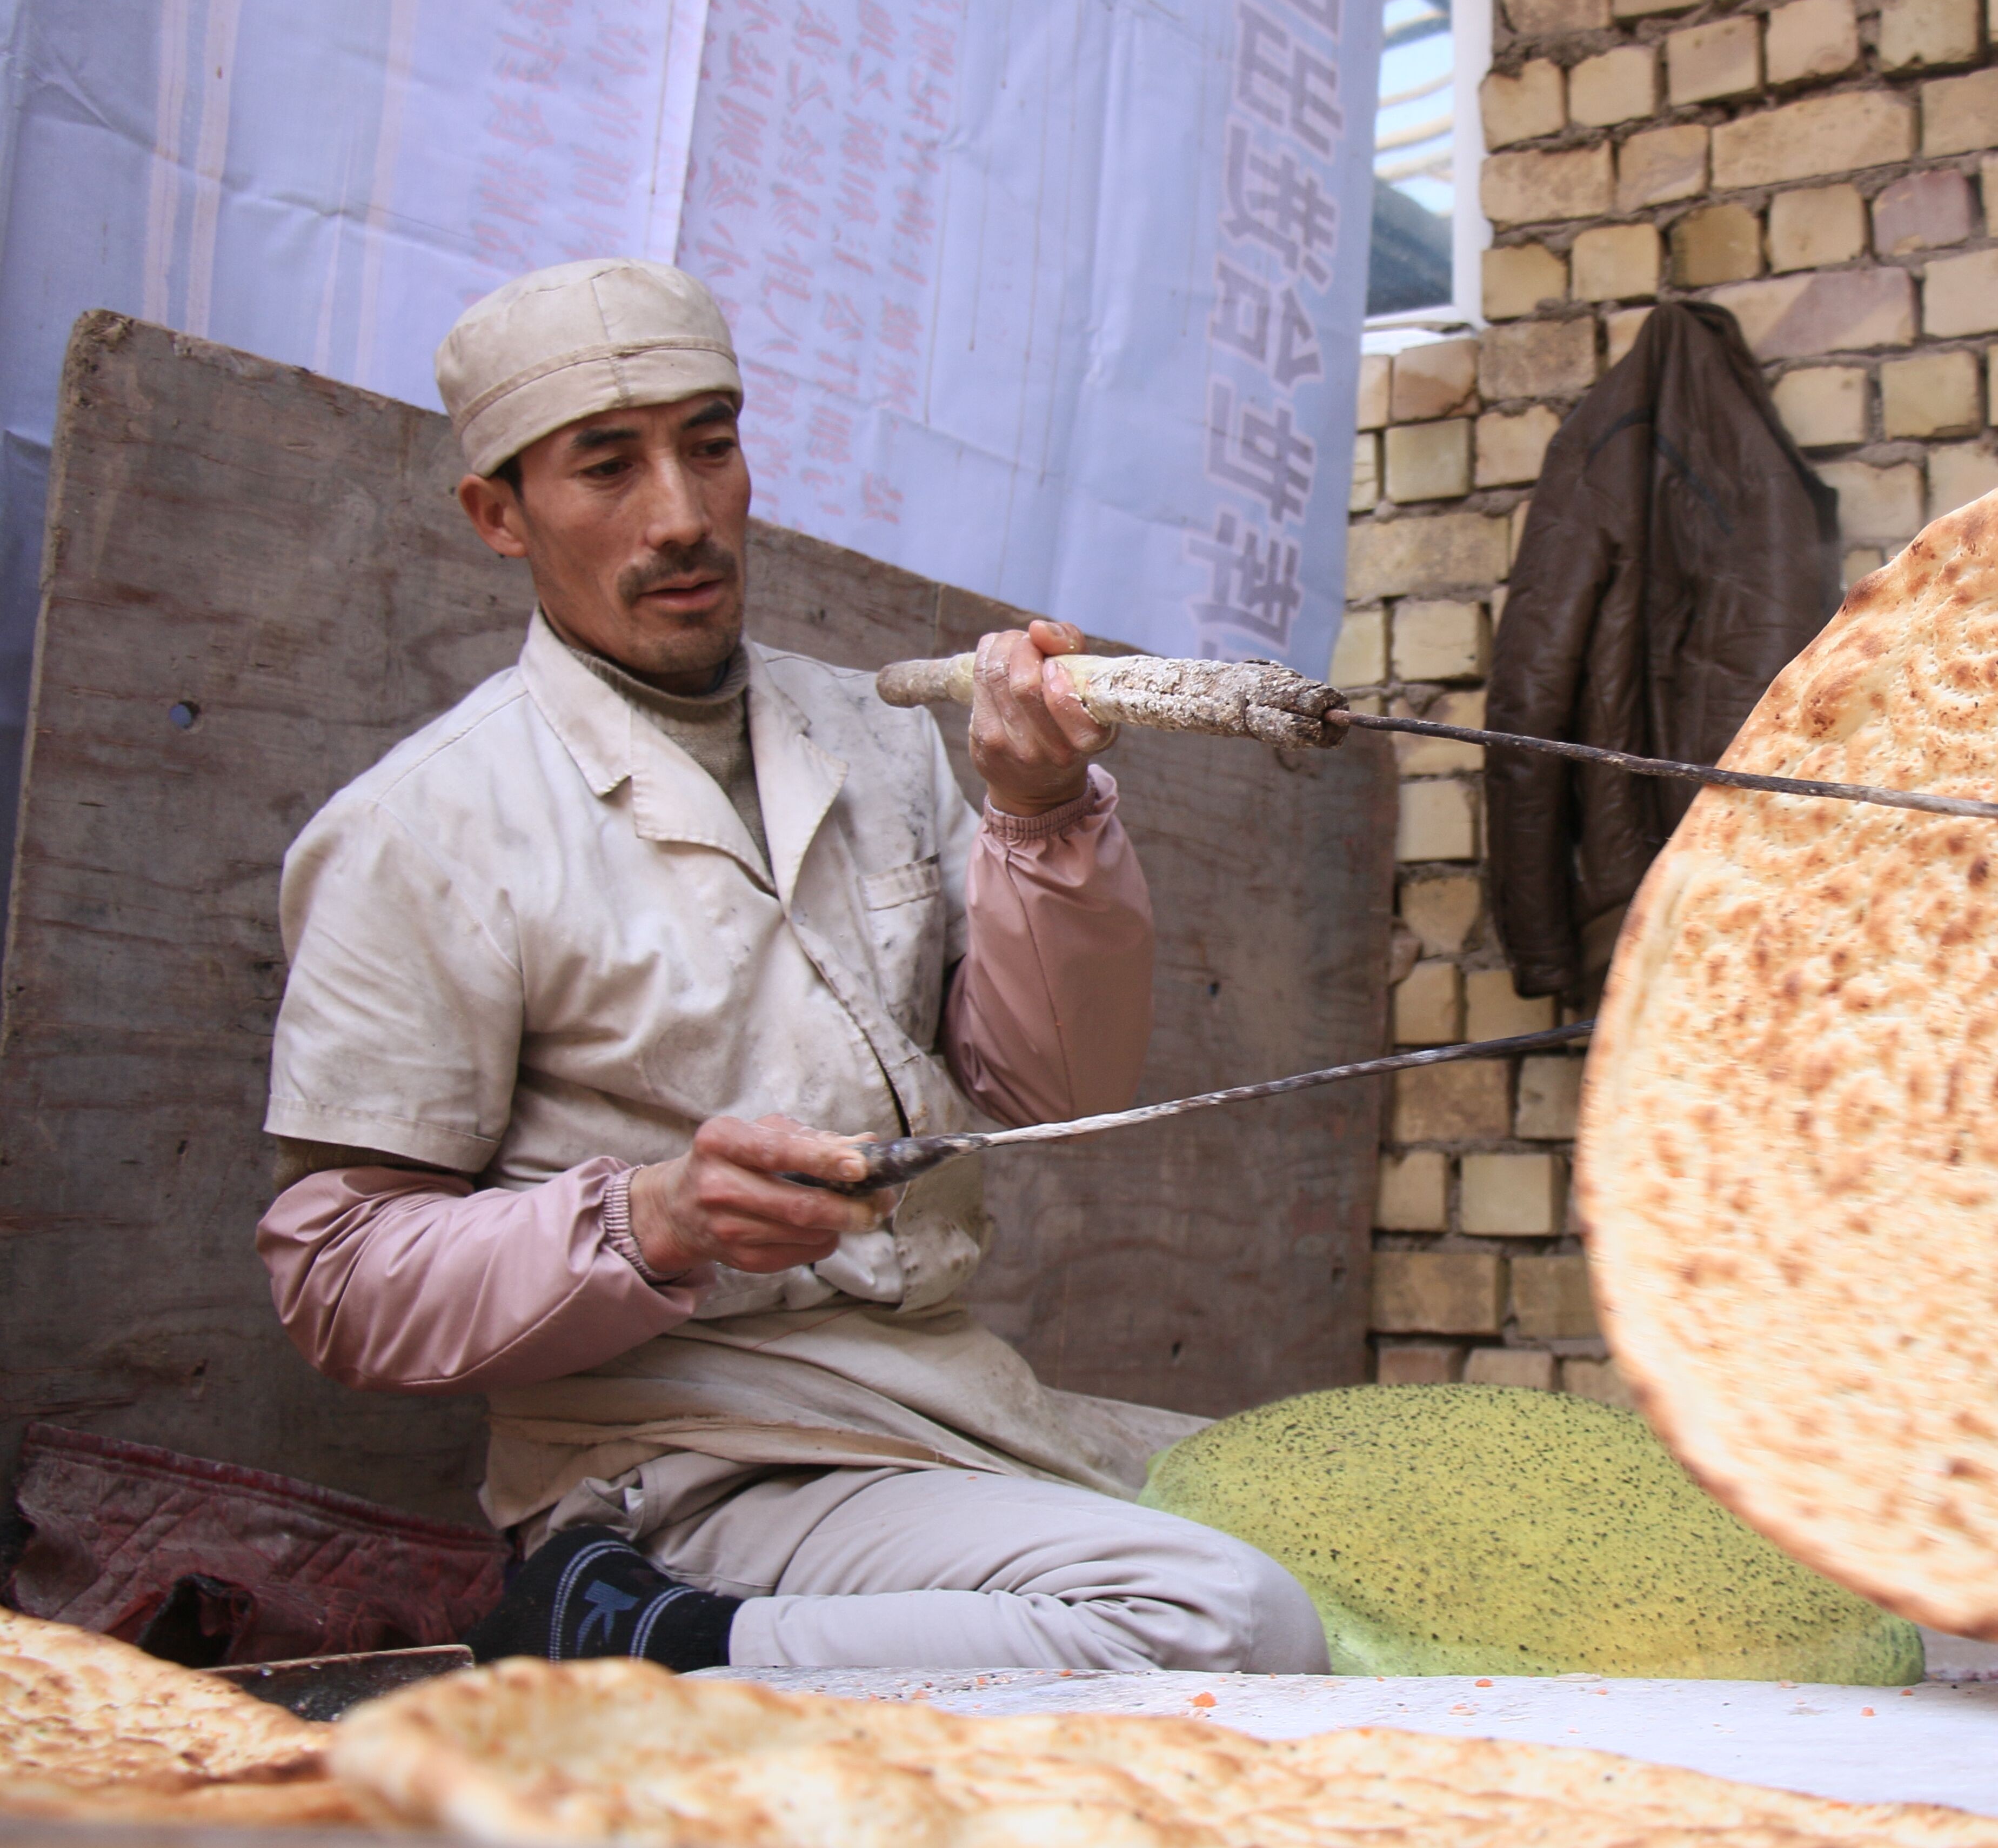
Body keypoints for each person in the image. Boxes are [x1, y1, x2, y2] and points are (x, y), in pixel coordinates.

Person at [256, 257, 1327, 1676]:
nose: (684, 516)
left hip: (936, 1401)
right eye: (606, 469)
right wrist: (652, 1221)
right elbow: (338, 1279)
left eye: (712, 445)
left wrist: (1042, 817)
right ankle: (647, 1634)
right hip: (682, 1456)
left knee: (1397, 1554)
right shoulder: (426, 828)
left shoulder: (875, 735)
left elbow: (1055, 1089)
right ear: (497, 515)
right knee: (1227, 1622)